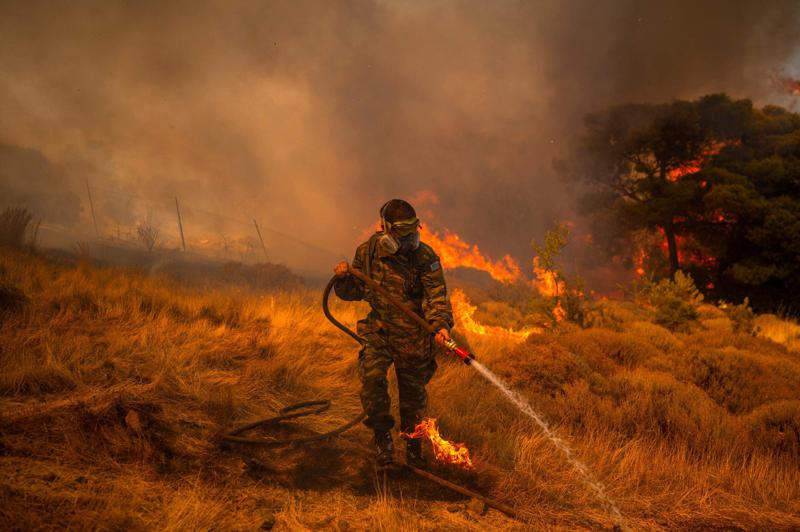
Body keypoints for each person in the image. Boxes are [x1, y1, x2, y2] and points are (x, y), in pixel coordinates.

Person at [333, 199, 453, 469]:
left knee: (413, 398)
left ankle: (413, 449)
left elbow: (437, 298)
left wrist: (441, 325)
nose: (409, 238)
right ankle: (383, 442)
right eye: (402, 233)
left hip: (414, 337)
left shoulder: (425, 257)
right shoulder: (368, 252)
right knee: (373, 381)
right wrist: (343, 278)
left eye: (413, 231)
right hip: (381, 333)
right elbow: (355, 291)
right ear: (385, 228)